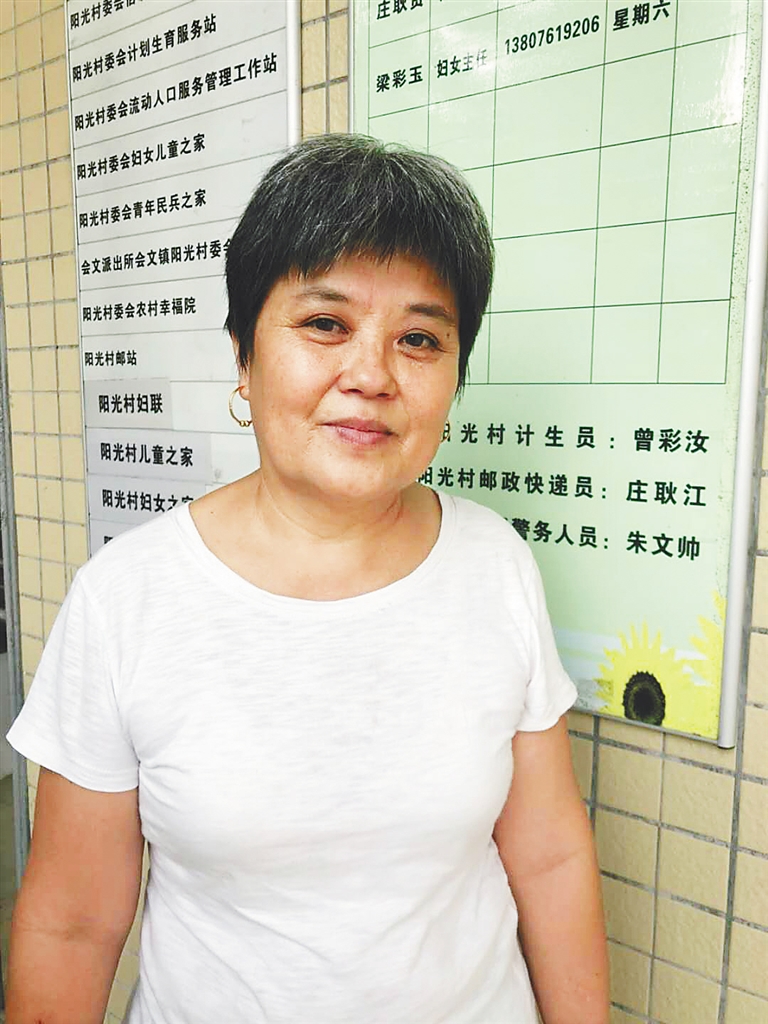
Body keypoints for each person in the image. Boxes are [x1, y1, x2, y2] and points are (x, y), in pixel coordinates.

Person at [6, 134, 608, 1024]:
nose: (371, 375)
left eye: (419, 339)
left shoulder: (496, 563)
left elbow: (550, 859)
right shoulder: (126, 599)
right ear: (244, 356)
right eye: (326, 324)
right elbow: (71, 926)